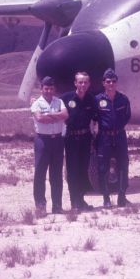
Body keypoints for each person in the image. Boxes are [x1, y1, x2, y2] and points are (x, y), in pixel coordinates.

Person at [30, 76, 69, 215]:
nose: (48, 91)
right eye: (46, 88)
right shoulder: (36, 104)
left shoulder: (59, 101)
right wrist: (55, 115)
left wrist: (49, 115)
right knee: (40, 173)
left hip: (58, 141)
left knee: (56, 174)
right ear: (41, 89)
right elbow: (39, 118)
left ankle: (57, 205)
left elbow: (65, 115)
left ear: (54, 89)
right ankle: (40, 205)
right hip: (43, 141)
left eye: (51, 88)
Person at [95, 68, 131, 208]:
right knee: (103, 167)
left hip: (120, 136)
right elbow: (94, 117)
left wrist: (118, 128)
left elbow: (127, 116)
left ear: (116, 83)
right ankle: (106, 198)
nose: (111, 84)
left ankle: (122, 196)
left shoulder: (123, 99)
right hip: (104, 137)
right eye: (108, 81)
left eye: (113, 81)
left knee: (123, 165)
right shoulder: (98, 100)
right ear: (104, 83)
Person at [61, 72, 95, 211]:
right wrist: (36, 101)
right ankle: (74, 201)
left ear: (89, 84)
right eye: (80, 82)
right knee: (72, 170)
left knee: (82, 170)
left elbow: (96, 117)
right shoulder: (66, 98)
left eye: (85, 82)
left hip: (85, 138)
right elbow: (50, 103)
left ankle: (81, 200)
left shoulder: (91, 99)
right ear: (75, 83)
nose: (83, 85)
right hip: (71, 139)